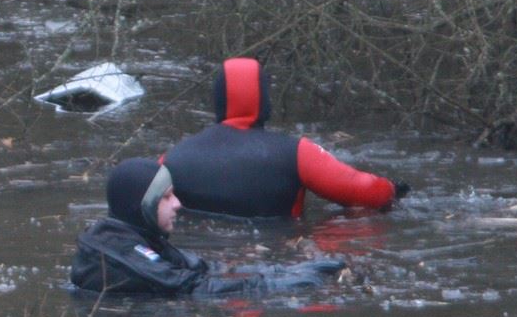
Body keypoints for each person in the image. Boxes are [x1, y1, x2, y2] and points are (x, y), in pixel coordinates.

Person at [157, 57, 408, 219]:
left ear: (218, 100)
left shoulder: (171, 159)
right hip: (278, 258)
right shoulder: (296, 153)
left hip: (198, 259)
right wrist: (394, 189)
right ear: (265, 100)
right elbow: (362, 192)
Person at [70, 159, 344, 297]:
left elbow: (200, 268)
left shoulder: (133, 236)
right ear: (142, 206)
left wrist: (282, 269)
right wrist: (279, 284)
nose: (178, 204)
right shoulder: (118, 255)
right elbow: (191, 287)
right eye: (166, 197)